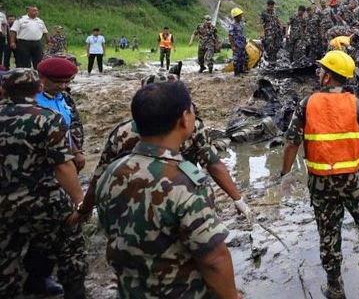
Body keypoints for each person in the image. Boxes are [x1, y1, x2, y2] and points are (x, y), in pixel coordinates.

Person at [95, 81, 239, 298]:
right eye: (191, 110)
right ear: (184, 119)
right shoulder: (186, 184)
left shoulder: (112, 172)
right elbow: (214, 260)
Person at [279, 51, 359, 299]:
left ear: (327, 77)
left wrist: (285, 173)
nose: (319, 73)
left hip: (322, 184)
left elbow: (291, 143)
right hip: (354, 181)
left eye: (322, 70)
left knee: (329, 235)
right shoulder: (357, 105)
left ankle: (336, 289)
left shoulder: (307, 104)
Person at [79, 72, 249, 225]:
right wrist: (238, 200)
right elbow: (213, 164)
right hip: (176, 198)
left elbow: (99, 177)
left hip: (135, 206)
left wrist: (85, 209)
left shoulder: (123, 133)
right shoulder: (190, 126)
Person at [0, 68, 88, 298]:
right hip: (43, 197)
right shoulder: (48, 118)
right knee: (70, 246)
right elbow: (62, 165)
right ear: (39, 88)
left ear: (3, 90)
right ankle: (73, 290)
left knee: (6, 255)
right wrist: (80, 201)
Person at [260, 0, 284, 64]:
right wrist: (262, 33)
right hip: (268, 33)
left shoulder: (274, 12)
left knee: (277, 46)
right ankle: (269, 62)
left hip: (275, 32)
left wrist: (280, 25)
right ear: (268, 5)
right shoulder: (264, 13)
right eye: (271, 6)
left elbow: (277, 19)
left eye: (273, 6)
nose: (272, 7)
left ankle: (274, 61)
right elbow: (261, 24)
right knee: (269, 47)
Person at [229, 7, 247, 76]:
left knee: (243, 57)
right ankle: (236, 73)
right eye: (240, 15)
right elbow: (230, 36)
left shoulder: (241, 23)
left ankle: (242, 70)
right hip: (236, 44)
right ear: (236, 16)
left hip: (242, 44)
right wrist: (233, 45)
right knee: (236, 58)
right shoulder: (232, 25)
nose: (241, 16)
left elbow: (242, 33)